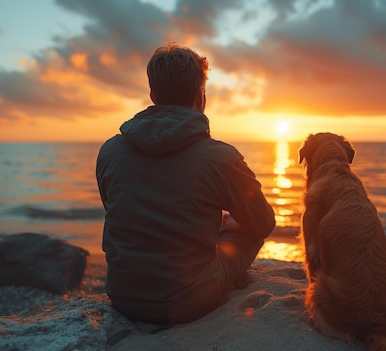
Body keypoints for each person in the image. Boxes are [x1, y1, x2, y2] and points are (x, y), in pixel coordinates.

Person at [96, 43, 276, 325]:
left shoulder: (110, 151)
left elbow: (120, 209)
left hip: (123, 296)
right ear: (201, 97)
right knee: (248, 228)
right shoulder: (221, 158)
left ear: (153, 95)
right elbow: (263, 222)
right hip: (189, 301)